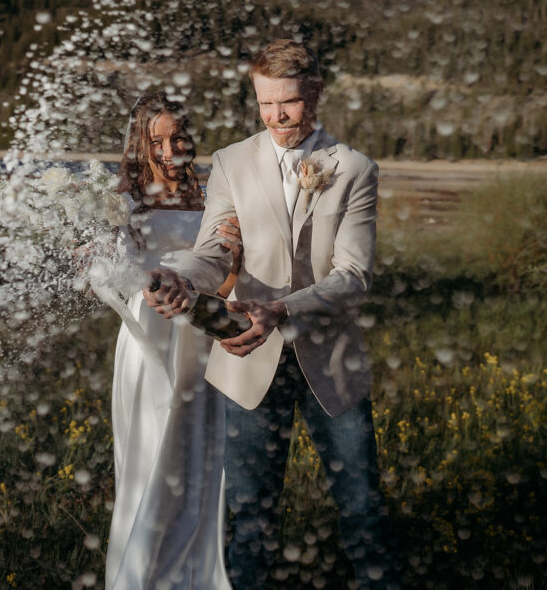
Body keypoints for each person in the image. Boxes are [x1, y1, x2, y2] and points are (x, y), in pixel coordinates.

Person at [145, 40, 394, 588]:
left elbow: (354, 277)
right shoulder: (231, 162)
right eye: (265, 104)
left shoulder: (353, 169)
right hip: (245, 361)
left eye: (290, 103)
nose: (278, 116)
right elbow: (215, 250)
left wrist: (280, 309)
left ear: (316, 93)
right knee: (250, 519)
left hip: (330, 362)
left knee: (362, 511)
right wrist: (182, 278)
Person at [105, 92, 240, 590]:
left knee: (201, 454)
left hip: (204, 340)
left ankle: (198, 576)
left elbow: (226, 284)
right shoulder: (122, 203)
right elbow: (114, 274)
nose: (168, 148)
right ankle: (139, 575)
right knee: (151, 454)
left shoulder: (213, 201)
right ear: (139, 145)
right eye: (155, 139)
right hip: (150, 342)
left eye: (177, 136)